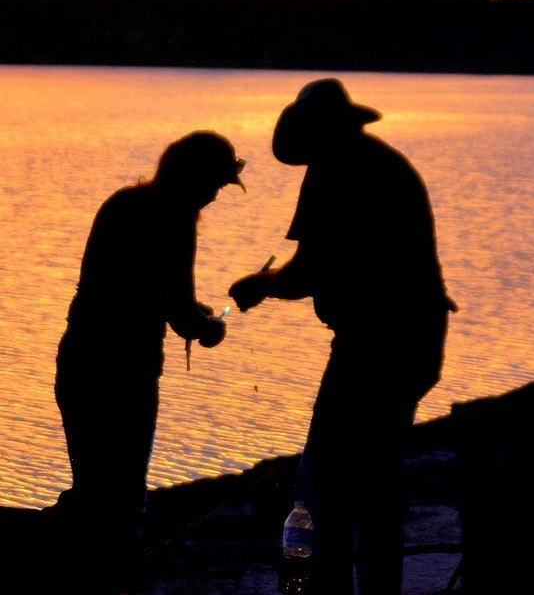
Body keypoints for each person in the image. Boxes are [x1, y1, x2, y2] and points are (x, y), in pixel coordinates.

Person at [229, 78, 455, 595]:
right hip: (415, 337)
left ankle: (329, 591)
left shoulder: (335, 167)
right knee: (374, 481)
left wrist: (261, 284)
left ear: (316, 126)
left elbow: (308, 271)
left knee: (323, 485)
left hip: (376, 342)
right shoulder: (378, 159)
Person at [52, 130, 245, 595]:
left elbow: (139, 288)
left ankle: (73, 571)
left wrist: (189, 309)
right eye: (215, 184)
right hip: (125, 372)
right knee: (123, 501)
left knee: (93, 486)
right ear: (193, 177)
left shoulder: (124, 203)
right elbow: (178, 313)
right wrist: (212, 327)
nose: (215, 195)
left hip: (79, 360)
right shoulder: (174, 218)